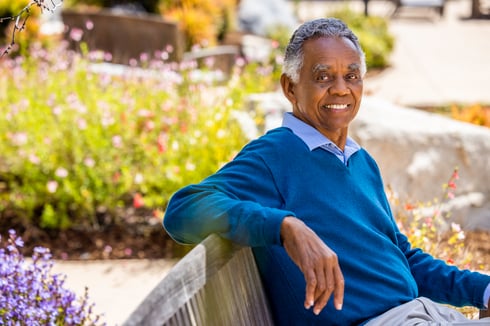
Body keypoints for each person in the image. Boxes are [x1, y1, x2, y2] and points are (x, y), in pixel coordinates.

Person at [163, 18, 490, 325]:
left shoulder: (360, 160)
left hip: (423, 315)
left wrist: (482, 290)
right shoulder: (275, 154)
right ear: (290, 88)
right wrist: (285, 226)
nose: (340, 89)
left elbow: (402, 257)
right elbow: (182, 209)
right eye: (322, 77)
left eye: (351, 75)